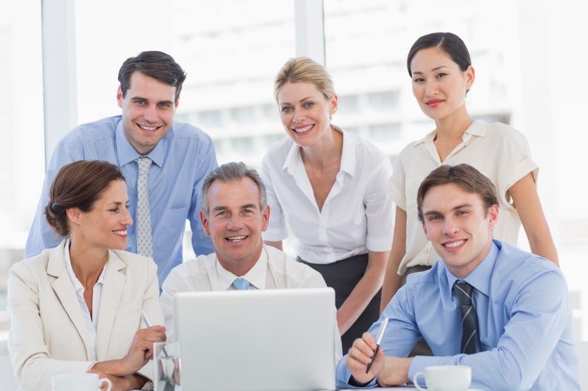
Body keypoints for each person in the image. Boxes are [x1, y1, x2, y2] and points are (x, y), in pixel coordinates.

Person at [337, 164, 578, 391]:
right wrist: (360, 372)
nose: (449, 228)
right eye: (435, 217)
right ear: (425, 229)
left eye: (462, 212)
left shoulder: (539, 281)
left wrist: (406, 369)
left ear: (492, 216)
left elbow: (512, 373)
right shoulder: (416, 292)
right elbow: (352, 369)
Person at [380, 32, 558, 311]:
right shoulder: (409, 157)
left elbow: (539, 237)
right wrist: (384, 325)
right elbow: (398, 253)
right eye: (419, 79)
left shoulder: (502, 141)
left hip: (482, 292)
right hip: (416, 295)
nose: (429, 89)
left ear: (469, 77)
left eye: (440, 75)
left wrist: (553, 316)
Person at [25, 51, 218, 286]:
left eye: (163, 105)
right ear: (120, 97)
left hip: (162, 300)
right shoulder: (78, 148)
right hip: (92, 301)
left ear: (176, 105)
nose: (151, 116)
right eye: (140, 102)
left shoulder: (196, 149)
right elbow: (49, 241)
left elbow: (210, 238)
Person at [260, 57, 393, 352]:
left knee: (359, 377)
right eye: (287, 108)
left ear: (332, 104)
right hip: (306, 284)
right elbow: (273, 254)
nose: (297, 117)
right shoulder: (273, 162)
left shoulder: (371, 163)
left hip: (366, 286)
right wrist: (281, 315)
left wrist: (330, 330)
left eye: (308, 104)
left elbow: (379, 266)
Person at [8, 160, 166, 391]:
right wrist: (122, 365)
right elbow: (31, 371)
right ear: (75, 214)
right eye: (114, 209)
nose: (128, 219)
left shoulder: (141, 271)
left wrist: (122, 382)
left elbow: (159, 361)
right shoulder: (28, 277)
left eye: (126, 206)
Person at [160, 162, 342, 362]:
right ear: (205, 223)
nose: (235, 225)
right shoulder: (181, 286)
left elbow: (328, 366)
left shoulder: (305, 284)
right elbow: (169, 372)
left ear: (265, 218)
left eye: (246, 211)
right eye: (222, 213)